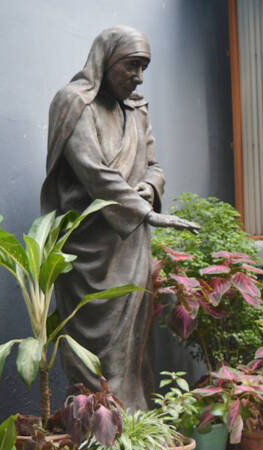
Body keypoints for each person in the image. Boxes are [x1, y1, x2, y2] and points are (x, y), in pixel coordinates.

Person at [40, 26, 198, 410]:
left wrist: (149, 188)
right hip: (88, 251)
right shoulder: (73, 102)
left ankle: (134, 430)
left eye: (144, 67)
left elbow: (154, 164)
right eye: (131, 66)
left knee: (133, 347)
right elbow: (93, 170)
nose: (138, 77)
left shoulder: (136, 110)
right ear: (106, 61)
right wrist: (143, 210)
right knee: (92, 347)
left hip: (131, 245)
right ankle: (95, 429)